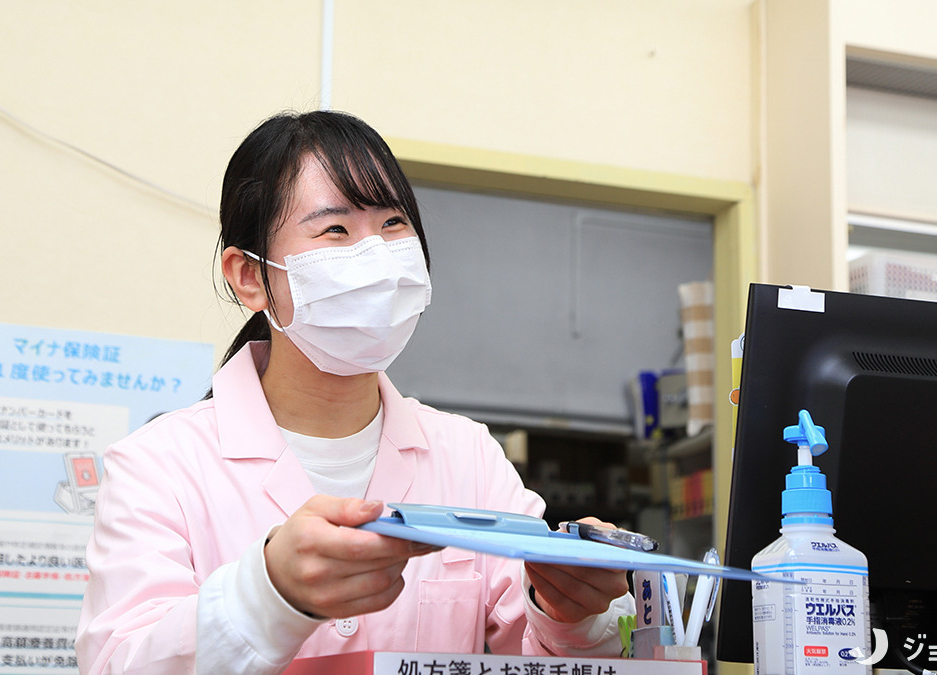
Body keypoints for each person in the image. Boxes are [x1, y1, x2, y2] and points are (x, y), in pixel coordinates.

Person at [76, 110, 634, 674]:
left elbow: (555, 653)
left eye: (393, 224)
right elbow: (122, 663)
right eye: (336, 230)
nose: (379, 260)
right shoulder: (158, 466)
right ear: (250, 276)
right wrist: (269, 593)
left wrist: (570, 611)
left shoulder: (468, 455)